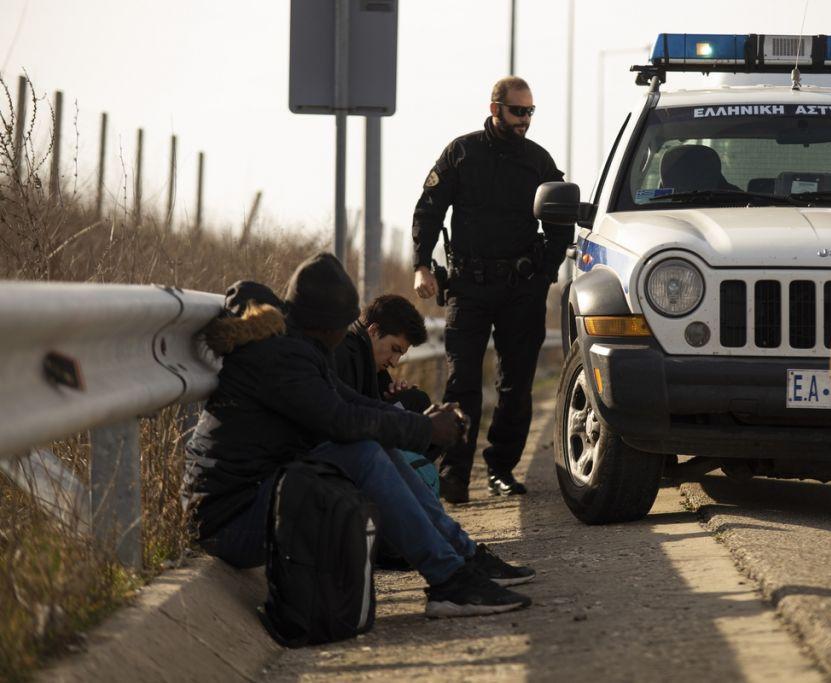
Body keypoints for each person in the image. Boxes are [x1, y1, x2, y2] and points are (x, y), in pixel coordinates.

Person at [184, 253, 535, 618]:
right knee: (363, 452)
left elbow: (352, 404)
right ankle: (449, 579)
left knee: (374, 444)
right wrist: (425, 429)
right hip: (230, 522)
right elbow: (341, 420)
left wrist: (425, 422)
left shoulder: (299, 348)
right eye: (344, 324)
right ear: (325, 324)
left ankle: (461, 558)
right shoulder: (279, 358)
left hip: (261, 501)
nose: (348, 331)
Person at [411, 76, 571, 503]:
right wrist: (422, 265)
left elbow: (561, 220)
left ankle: (501, 468)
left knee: (516, 385)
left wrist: (545, 273)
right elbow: (429, 209)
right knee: (462, 382)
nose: (525, 120)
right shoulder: (462, 152)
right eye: (518, 111)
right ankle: (455, 475)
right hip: (469, 286)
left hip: (522, 289)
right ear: (495, 107)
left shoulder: (539, 161)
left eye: (530, 112)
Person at [335, 293, 432, 415]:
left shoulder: (372, 363)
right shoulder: (342, 353)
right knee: (416, 401)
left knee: (415, 399)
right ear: (374, 331)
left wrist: (392, 398)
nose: (394, 362)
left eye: (400, 355)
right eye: (394, 349)